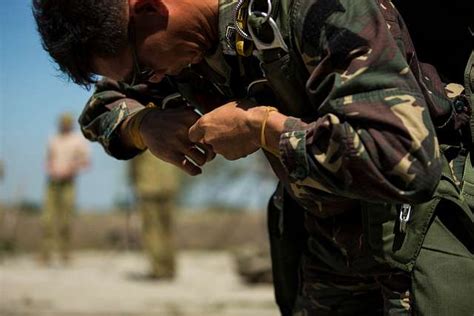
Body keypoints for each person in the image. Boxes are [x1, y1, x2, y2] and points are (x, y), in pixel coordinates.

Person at [33, 0, 474, 314]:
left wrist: (263, 128)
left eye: (145, 70)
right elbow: (102, 106)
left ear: (149, 7)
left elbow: (404, 157)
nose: (156, 79)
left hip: (411, 240)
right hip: (327, 253)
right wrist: (143, 126)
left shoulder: (316, 8)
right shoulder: (186, 48)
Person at [41, 113, 90, 264]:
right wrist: (50, 168)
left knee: (66, 218)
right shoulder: (53, 139)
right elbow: (48, 160)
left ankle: (65, 252)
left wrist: (71, 168)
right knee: (47, 218)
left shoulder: (78, 141)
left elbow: (86, 162)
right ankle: (46, 253)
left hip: (68, 182)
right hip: (52, 182)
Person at [129, 150, 179, 279]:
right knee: (166, 229)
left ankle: (159, 269)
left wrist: (133, 182)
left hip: (148, 187)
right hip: (168, 185)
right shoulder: (170, 134)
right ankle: (169, 267)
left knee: (152, 229)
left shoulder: (143, 136)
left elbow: (132, 160)